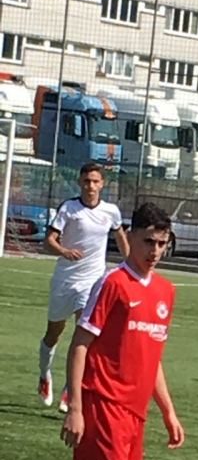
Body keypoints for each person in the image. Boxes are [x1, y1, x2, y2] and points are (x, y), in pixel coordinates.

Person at [55, 202, 185, 460]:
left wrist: (168, 412)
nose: (155, 251)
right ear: (130, 236)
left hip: (134, 412)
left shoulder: (165, 291)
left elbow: (153, 357)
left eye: (162, 243)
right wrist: (76, 407)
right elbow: (80, 344)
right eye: (148, 241)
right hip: (104, 404)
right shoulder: (112, 283)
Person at [38, 162, 129, 412]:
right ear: (80, 182)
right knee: (53, 333)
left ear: (102, 184)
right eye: (87, 181)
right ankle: (44, 374)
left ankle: (70, 389)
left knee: (84, 335)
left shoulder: (111, 211)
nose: (90, 186)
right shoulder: (69, 208)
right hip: (64, 280)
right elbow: (49, 241)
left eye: (95, 181)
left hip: (92, 282)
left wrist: (131, 265)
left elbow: (120, 237)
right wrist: (64, 251)